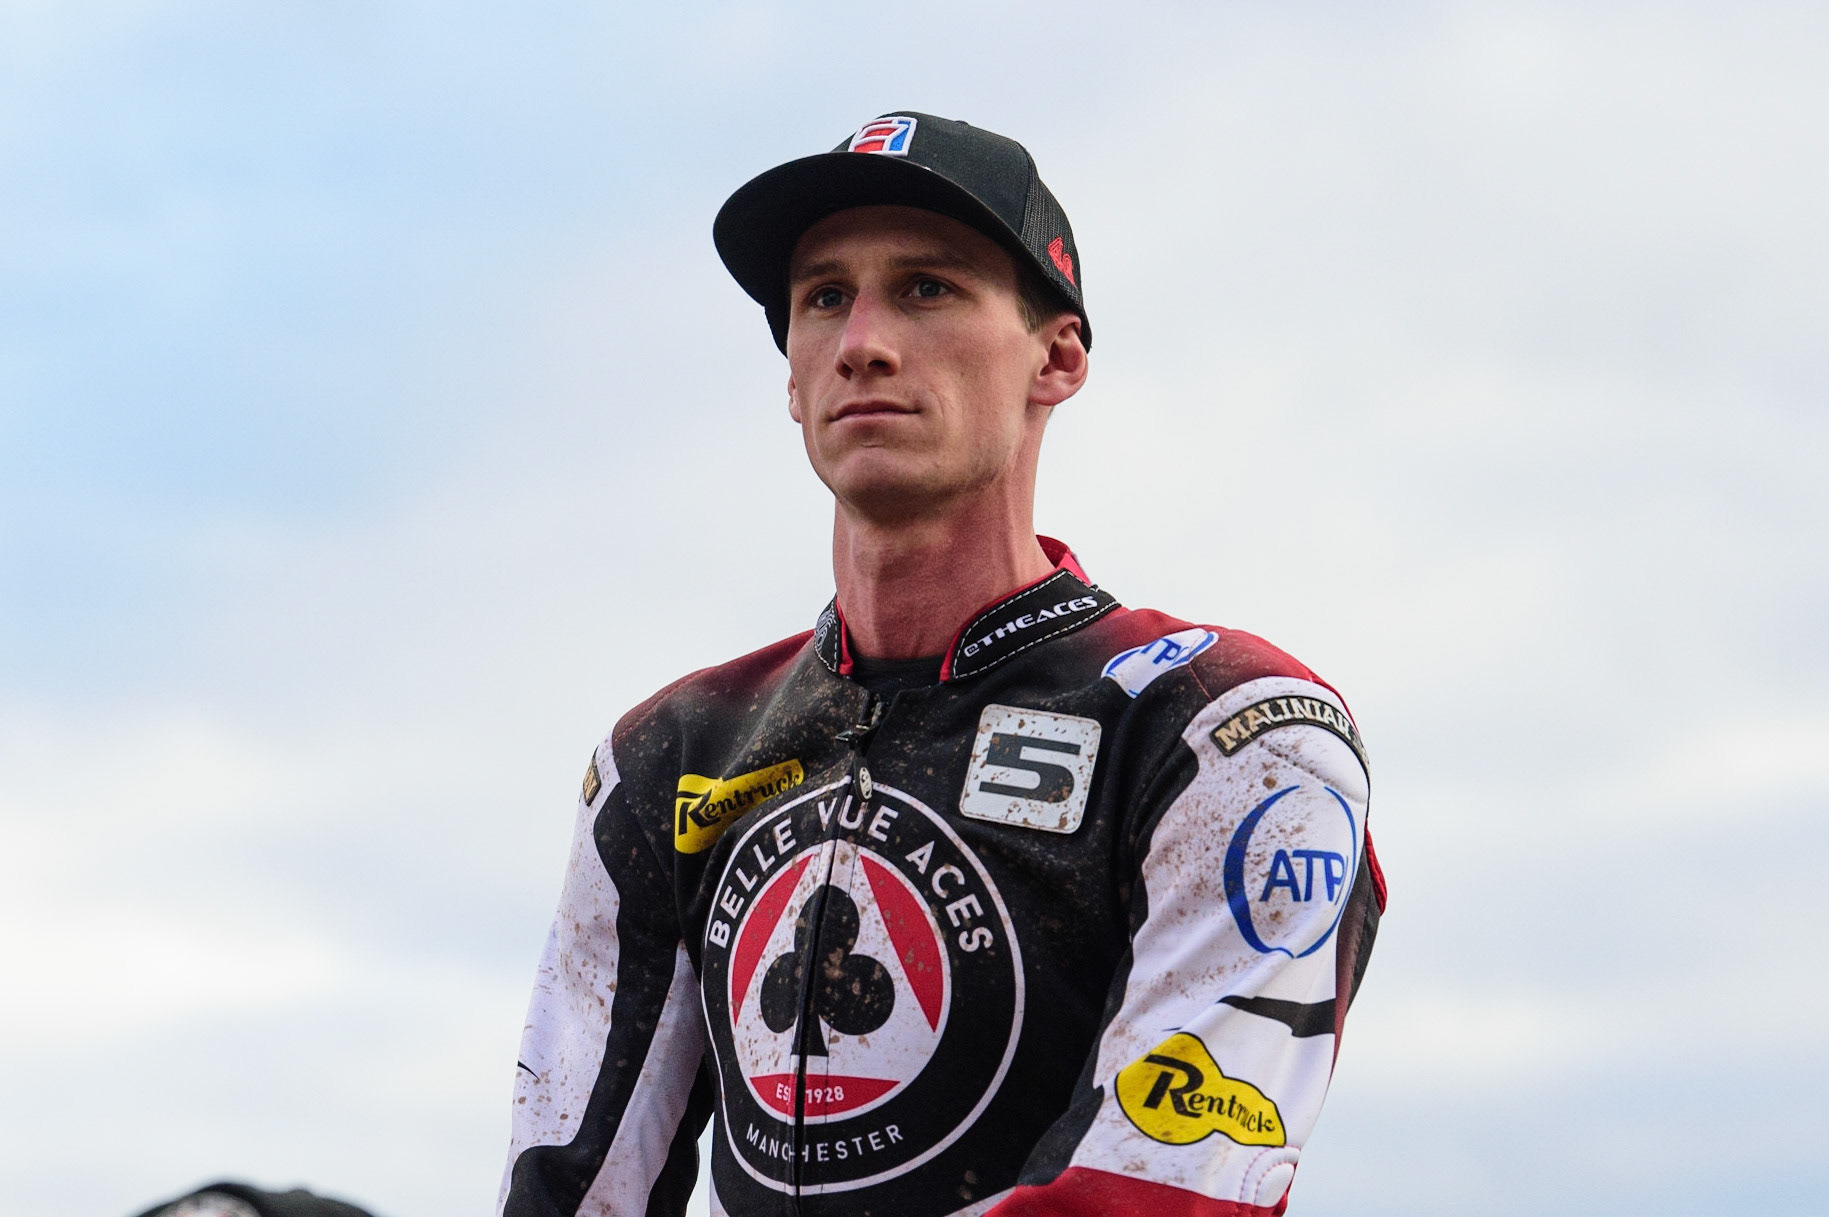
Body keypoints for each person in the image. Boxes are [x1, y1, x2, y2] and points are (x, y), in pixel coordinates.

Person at [498, 111, 1385, 1217]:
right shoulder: (669, 750)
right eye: (823, 297)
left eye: (926, 288)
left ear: (1055, 355)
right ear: (790, 375)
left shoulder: (1224, 726)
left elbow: (1154, 1189)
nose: (861, 339)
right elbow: (568, 1186)